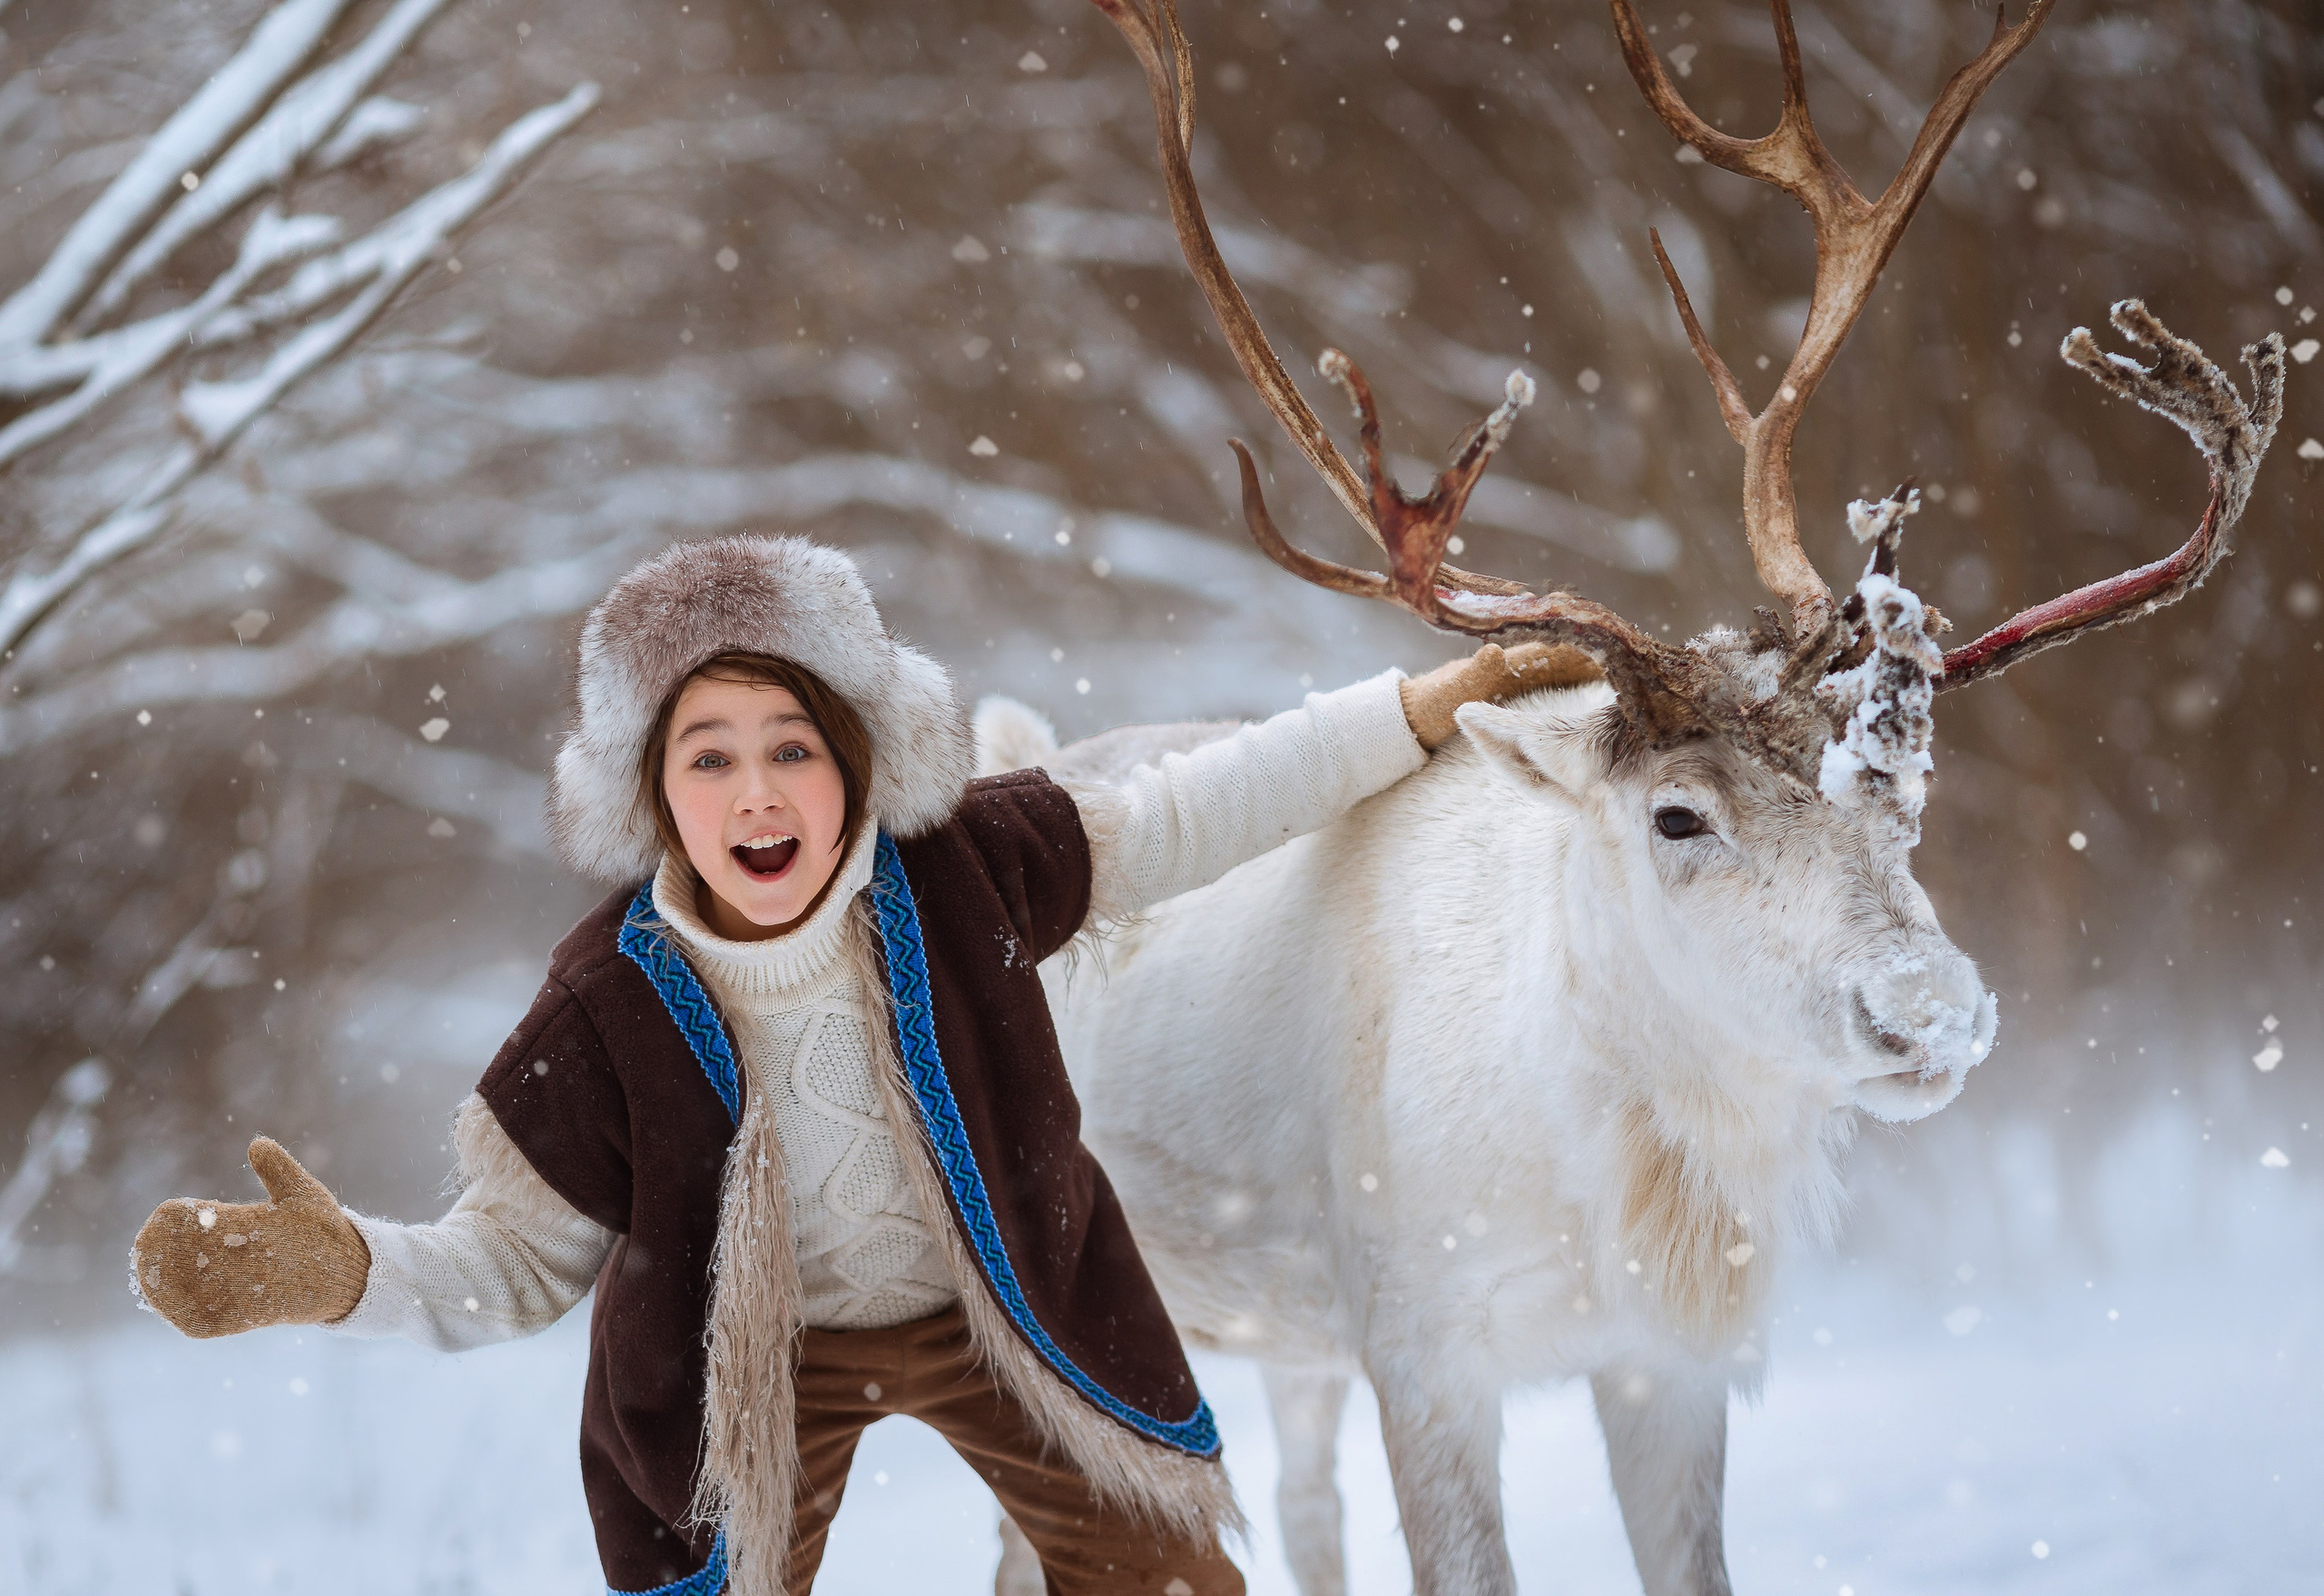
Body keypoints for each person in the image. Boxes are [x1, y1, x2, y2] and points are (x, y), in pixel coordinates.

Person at [129, 535, 1569, 1595]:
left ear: (861, 762)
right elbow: (510, 1259)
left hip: (998, 1306)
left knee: (1168, 1579)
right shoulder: (605, 1003)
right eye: (707, 758)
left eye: (792, 747)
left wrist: (1418, 710)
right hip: (753, 1357)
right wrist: (347, 1272)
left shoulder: (966, 872)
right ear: (652, 800)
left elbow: (1200, 808)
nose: (756, 790)